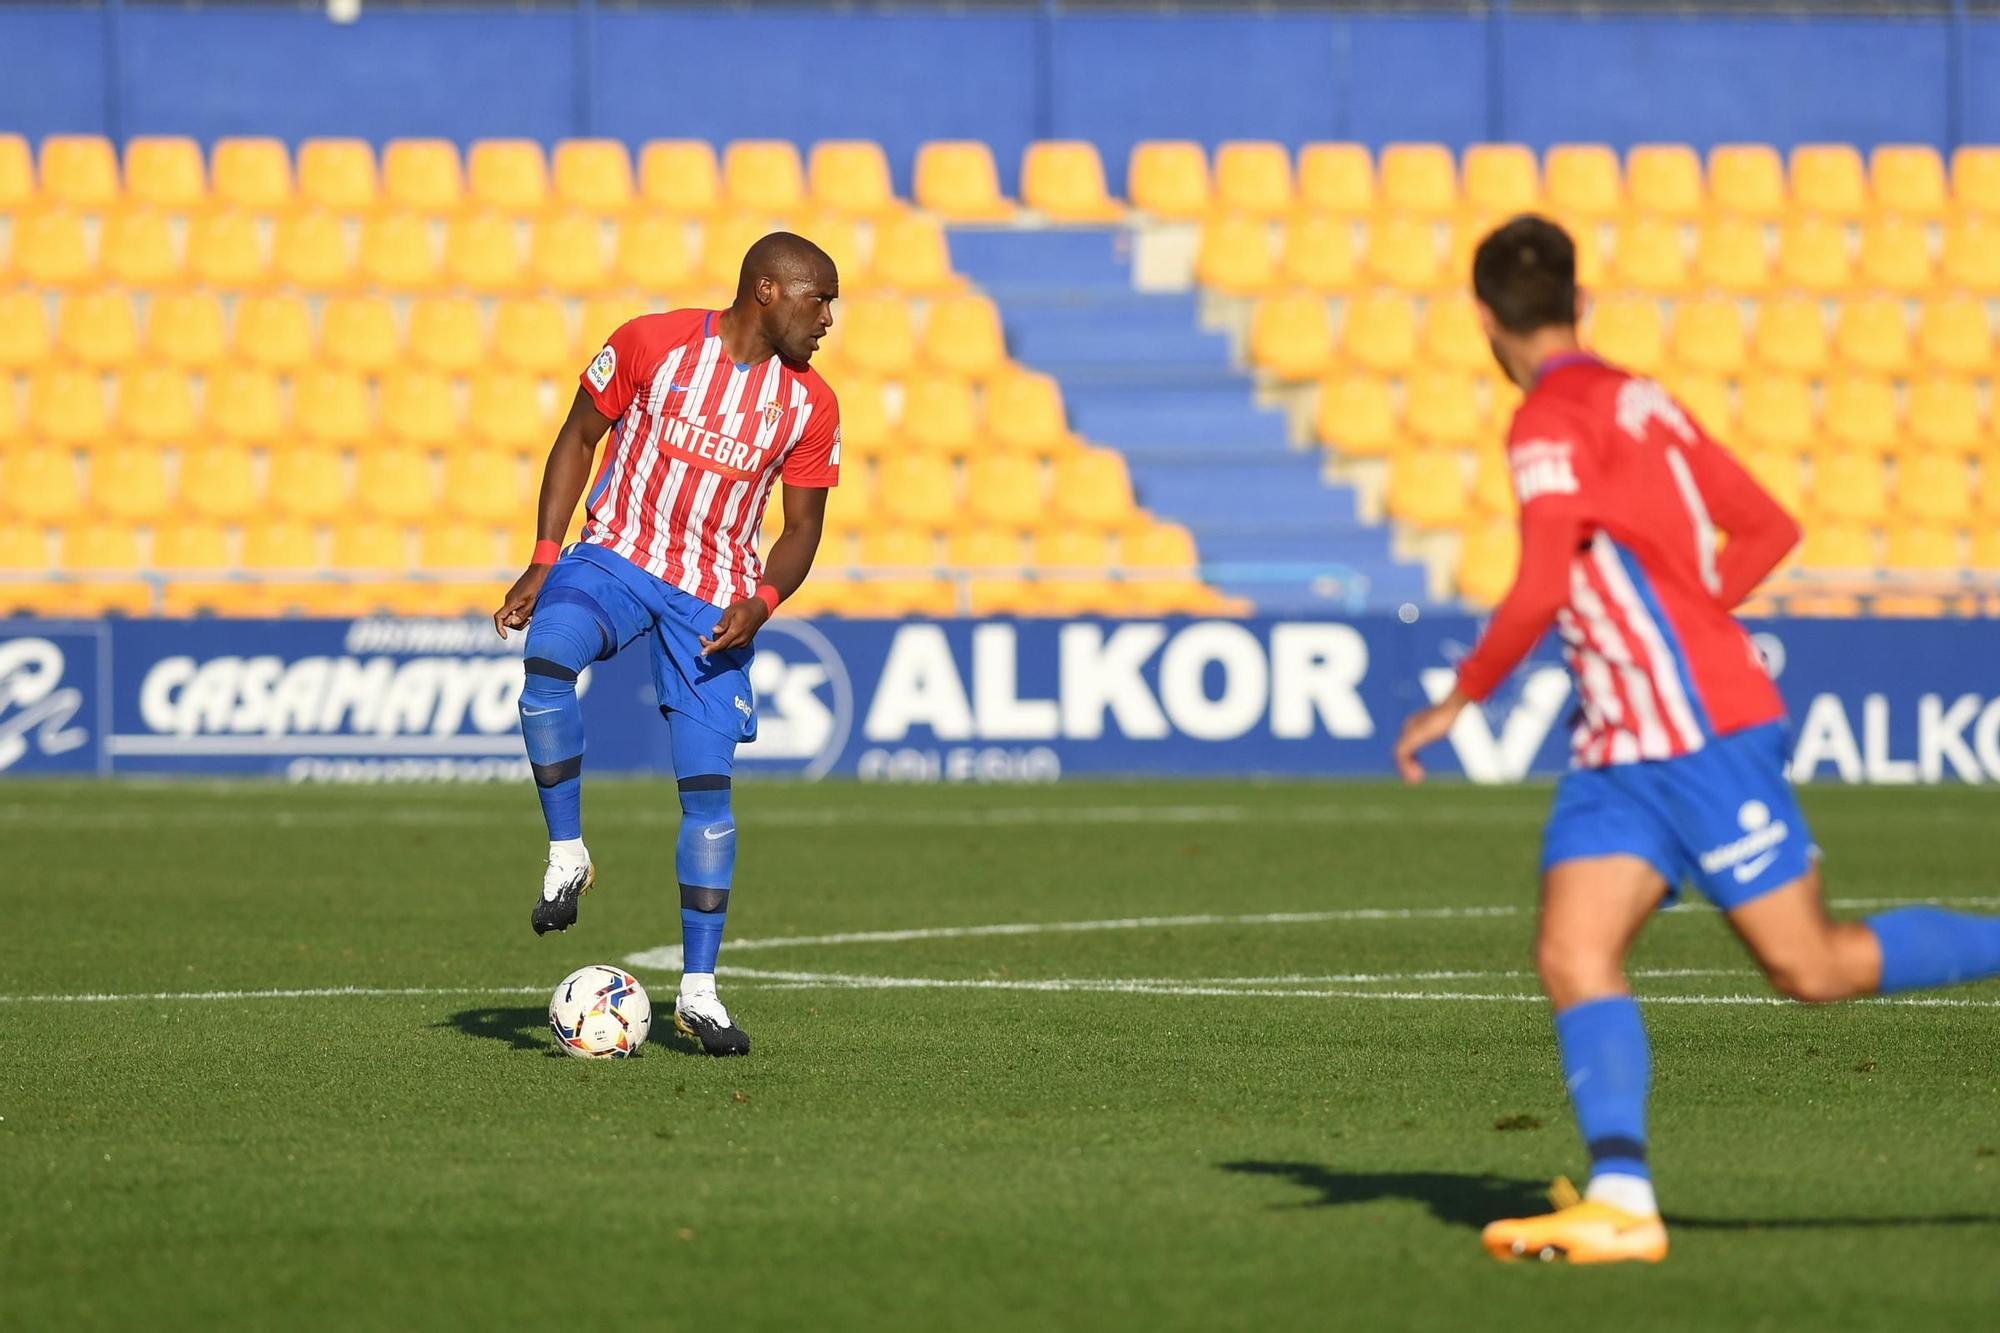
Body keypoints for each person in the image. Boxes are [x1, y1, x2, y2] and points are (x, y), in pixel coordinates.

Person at [1393, 214, 2000, 1264]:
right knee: (1571, 949)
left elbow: (1542, 577)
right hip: (1623, 738)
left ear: (1484, 321)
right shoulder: (1643, 399)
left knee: (1809, 966)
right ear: (1577, 304)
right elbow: (1766, 524)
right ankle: (1622, 1198)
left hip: (1688, 729)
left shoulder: (1544, 420)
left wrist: (1464, 695)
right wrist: (1693, 610)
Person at [492, 231, 841, 1057]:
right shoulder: (650, 343)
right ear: (765, 290)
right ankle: (567, 852)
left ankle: (698, 993)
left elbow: (801, 529)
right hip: (616, 556)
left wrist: (761, 600)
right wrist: (545, 558)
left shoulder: (810, 404)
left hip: (712, 599)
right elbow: (578, 438)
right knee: (546, 664)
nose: (828, 318)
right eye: (816, 298)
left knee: (708, 795)